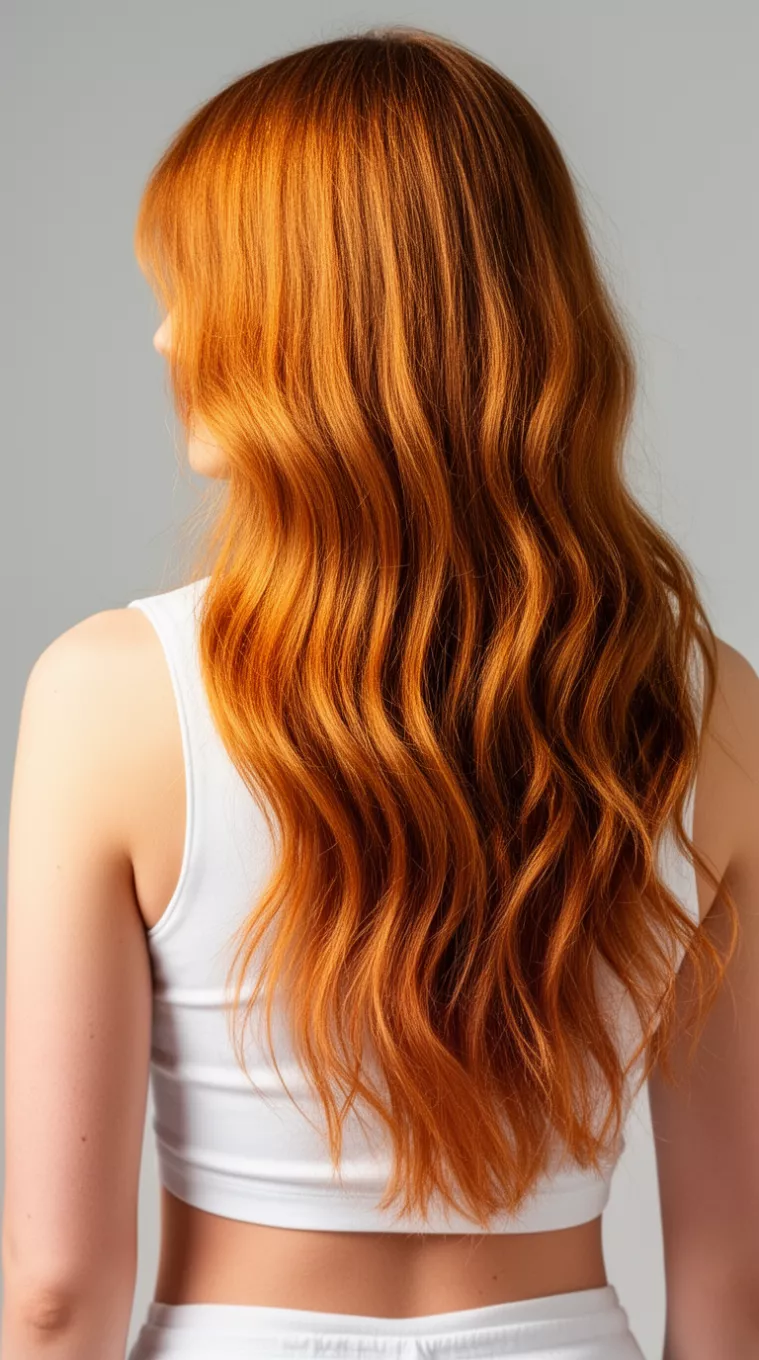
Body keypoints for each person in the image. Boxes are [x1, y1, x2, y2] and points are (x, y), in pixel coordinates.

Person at [3, 24, 757, 1360]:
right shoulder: (712, 709)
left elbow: (55, 1288)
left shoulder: (112, 698)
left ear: (319, 316)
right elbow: (734, 1276)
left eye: (199, 283)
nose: (168, 334)